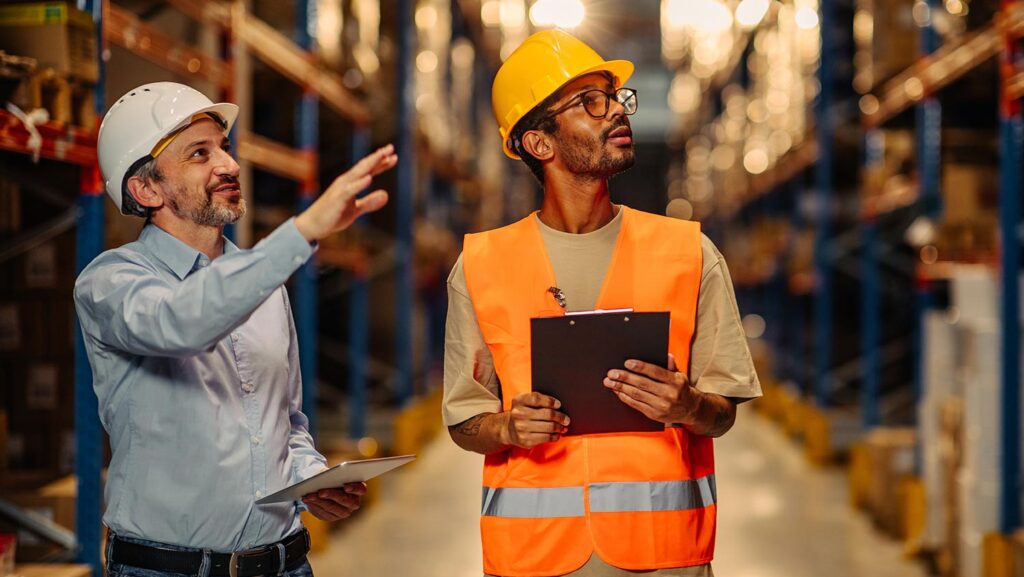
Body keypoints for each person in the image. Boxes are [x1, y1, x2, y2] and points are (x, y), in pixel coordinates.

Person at [443, 31, 762, 577]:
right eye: (591, 102)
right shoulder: (481, 265)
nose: (617, 109)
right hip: (535, 557)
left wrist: (688, 406)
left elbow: (722, 412)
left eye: (616, 98)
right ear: (539, 144)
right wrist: (508, 429)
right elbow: (464, 420)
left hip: (664, 556)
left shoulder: (690, 253)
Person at [74, 82, 397, 577]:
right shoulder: (109, 283)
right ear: (147, 190)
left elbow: (284, 426)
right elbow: (181, 323)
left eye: (223, 148)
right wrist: (303, 230)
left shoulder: (266, 285)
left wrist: (313, 481)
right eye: (200, 154)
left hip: (284, 563)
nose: (228, 165)